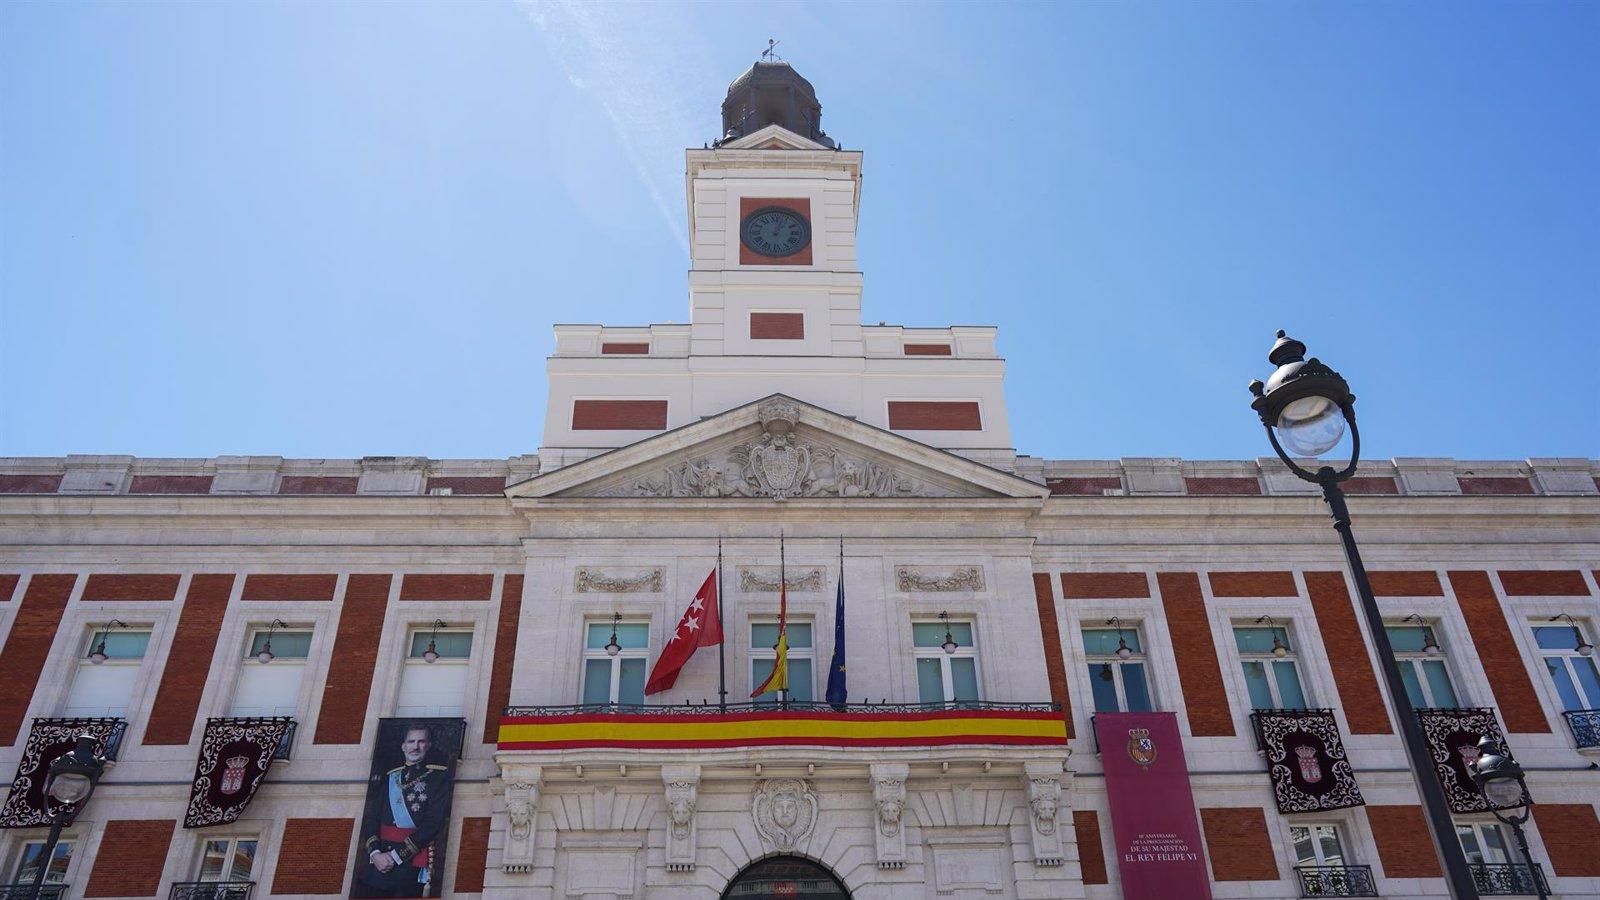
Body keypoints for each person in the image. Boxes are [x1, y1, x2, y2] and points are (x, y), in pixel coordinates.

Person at [357, 724, 453, 897]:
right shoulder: (391, 778)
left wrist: (395, 856)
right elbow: (372, 818)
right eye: (411, 741)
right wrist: (376, 853)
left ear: (429, 745)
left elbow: (433, 823)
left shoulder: (438, 779)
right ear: (403, 746)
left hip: (410, 863)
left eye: (421, 741)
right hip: (378, 862)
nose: (415, 747)